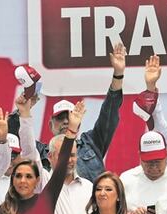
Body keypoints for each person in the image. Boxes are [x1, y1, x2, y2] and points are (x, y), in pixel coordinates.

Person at [36, 44, 125, 182]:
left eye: (70, 117)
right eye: (60, 118)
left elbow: (110, 112)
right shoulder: (40, 153)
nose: (66, 121)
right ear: (50, 125)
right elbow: (20, 134)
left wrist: (118, 75)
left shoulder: (91, 143)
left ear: (78, 123)